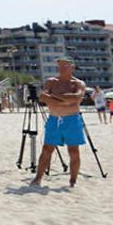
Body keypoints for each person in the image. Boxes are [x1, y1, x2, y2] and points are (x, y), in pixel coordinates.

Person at [31, 58, 87, 187]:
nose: (61, 68)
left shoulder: (78, 83)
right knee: (46, 150)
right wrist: (65, 100)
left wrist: (55, 96)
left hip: (72, 119)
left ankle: (72, 181)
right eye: (59, 65)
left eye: (65, 65)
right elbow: (43, 97)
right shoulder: (51, 82)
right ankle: (38, 178)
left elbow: (77, 98)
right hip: (54, 119)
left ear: (72, 67)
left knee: (73, 151)